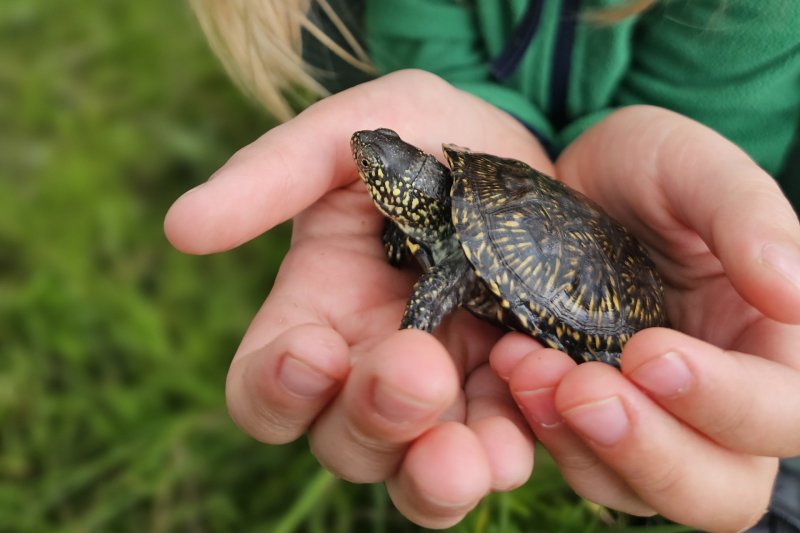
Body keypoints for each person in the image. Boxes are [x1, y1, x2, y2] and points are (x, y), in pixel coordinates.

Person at [167, 1, 800, 531]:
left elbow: (449, 275)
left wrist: (415, 329)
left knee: (727, 438)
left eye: (381, 170)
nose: (371, 163)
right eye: (385, 164)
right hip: (532, 196)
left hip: (621, 314)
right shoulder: (438, 199)